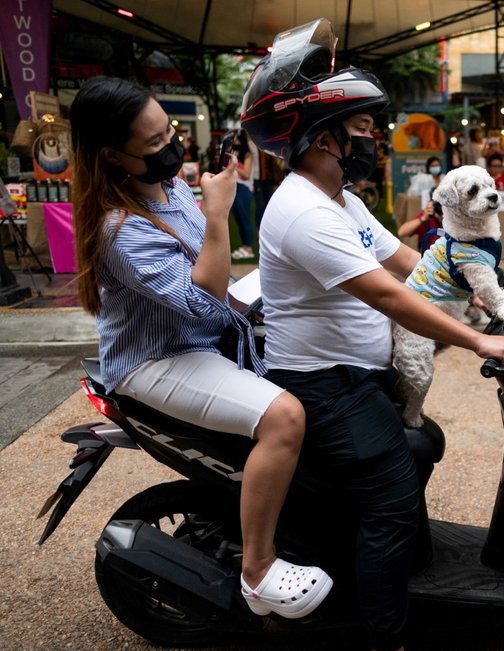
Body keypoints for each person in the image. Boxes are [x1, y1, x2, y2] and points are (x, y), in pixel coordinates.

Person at [240, 24, 504, 650]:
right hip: (323, 386)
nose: (373, 139)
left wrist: (481, 290)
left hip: (358, 378)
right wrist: (479, 342)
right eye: (361, 128)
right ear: (320, 134)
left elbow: (411, 267)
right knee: (393, 496)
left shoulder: (342, 199)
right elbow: (390, 296)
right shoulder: (304, 210)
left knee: (425, 445)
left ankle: (378, 562)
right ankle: (384, 635)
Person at [69, 76, 330, 620]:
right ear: (113, 157)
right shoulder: (120, 228)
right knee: (285, 418)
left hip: (204, 337)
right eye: (154, 144)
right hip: (156, 360)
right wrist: (217, 215)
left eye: (171, 131)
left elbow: (217, 288)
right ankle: (258, 571)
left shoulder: (170, 189)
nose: (171, 147)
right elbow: (203, 302)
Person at [230, 130, 256, 259]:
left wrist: (233, 167)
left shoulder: (247, 155)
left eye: (236, 139)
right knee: (238, 219)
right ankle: (244, 246)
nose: (234, 141)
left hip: (243, 189)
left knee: (245, 219)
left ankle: (249, 248)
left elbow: (246, 174)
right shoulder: (234, 153)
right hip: (233, 187)